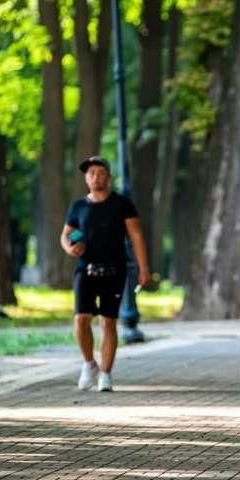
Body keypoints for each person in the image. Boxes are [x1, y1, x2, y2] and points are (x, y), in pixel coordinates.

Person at [60, 156, 149, 393]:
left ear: (108, 176)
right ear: (86, 179)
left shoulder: (122, 204)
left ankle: (106, 374)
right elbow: (66, 234)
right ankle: (89, 363)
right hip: (85, 270)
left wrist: (143, 268)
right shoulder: (78, 207)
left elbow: (136, 235)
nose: (95, 177)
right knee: (81, 319)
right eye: (90, 174)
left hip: (115, 269)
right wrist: (70, 247)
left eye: (100, 173)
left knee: (108, 322)